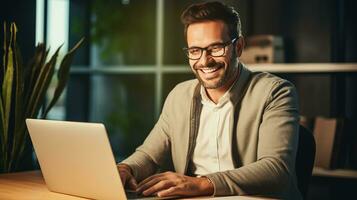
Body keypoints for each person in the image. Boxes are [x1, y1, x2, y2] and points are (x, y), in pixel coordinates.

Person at [117, 1, 301, 199]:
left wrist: (199, 184)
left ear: (238, 47)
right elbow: (149, 155)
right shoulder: (180, 95)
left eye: (215, 48)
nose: (204, 61)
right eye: (195, 50)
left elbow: (276, 170)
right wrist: (126, 168)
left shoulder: (275, 92)